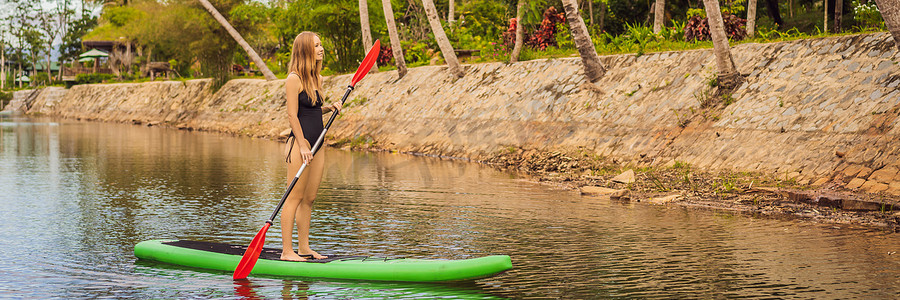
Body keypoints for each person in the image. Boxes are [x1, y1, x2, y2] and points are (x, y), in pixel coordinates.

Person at [281, 31, 341, 261]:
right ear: (305, 49)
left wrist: (330, 108)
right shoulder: (293, 78)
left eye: (321, 44)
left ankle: (304, 248)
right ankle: (287, 252)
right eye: (316, 45)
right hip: (300, 145)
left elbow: (313, 109)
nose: (321, 48)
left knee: (310, 198)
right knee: (293, 197)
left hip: (319, 144)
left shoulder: (317, 78)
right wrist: (303, 146)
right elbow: (292, 115)